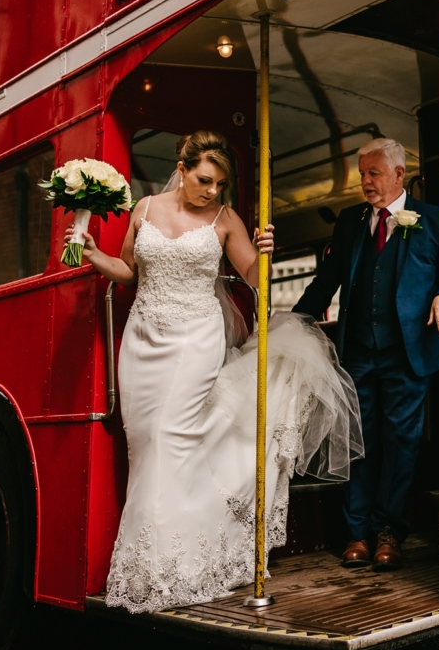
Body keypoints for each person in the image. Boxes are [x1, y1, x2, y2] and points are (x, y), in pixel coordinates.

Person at [73, 130, 362, 613]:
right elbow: (129, 271)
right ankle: (162, 564)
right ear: (182, 170)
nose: (212, 191)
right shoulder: (143, 209)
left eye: (220, 184)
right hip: (143, 339)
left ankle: (169, 570)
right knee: (145, 445)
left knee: (169, 437)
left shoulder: (225, 220)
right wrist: (93, 255)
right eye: (205, 180)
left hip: (195, 339)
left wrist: (265, 254)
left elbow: (253, 279)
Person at [293, 138, 439, 571]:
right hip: (358, 354)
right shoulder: (349, 222)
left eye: (373, 173)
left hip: (408, 354)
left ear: (399, 175)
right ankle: (357, 534)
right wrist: (292, 322)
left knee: (401, 445)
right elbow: (326, 280)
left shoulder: (436, 220)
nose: (365, 181)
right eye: (362, 173)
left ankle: (389, 532)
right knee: (357, 444)